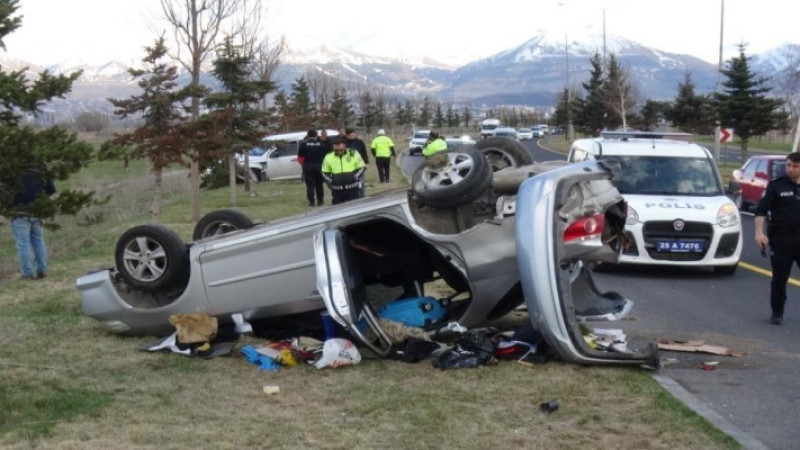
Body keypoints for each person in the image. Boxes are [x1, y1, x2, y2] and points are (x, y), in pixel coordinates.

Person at [754, 152, 800, 325]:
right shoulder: (776, 186)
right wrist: (759, 232)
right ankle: (777, 312)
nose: (791, 169)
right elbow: (761, 211)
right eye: (788, 165)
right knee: (780, 278)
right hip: (782, 239)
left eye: (795, 166)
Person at [10, 164, 56, 280]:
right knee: (38, 240)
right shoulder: (40, 165)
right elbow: (51, 189)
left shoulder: (11, 167)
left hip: (20, 210)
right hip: (38, 209)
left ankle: (28, 273)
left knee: (23, 243)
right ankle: (42, 270)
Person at [322, 137, 365, 205]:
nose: (339, 152)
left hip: (352, 188)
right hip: (337, 190)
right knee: (338, 211)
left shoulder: (353, 154)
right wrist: (331, 181)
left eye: (341, 150)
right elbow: (324, 172)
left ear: (345, 146)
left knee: (355, 208)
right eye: (336, 150)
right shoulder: (328, 157)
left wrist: (355, 177)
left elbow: (361, 167)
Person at [296, 129, 328, 207]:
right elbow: (325, 156)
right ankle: (320, 201)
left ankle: (311, 202)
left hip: (308, 167)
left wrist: (303, 164)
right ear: (316, 135)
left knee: (310, 185)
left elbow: (300, 157)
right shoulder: (321, 144)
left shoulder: (303, 144)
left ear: (308, 135)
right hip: (319, 167)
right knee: (319, 184)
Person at [345, 128, 369, 197]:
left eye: (353, 135)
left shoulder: (360, 142)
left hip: (359, 165)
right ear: (347, 136)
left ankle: (361, 195)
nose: (352, 136)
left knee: (360, 181)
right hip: (348, 165)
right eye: (350, 135)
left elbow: (364, 152)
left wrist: (366, 162)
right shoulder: (345, 143)